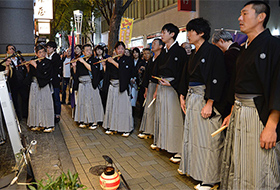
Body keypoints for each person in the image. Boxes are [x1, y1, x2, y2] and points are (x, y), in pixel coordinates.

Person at [220, 1, 280, 189]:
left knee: (260, 164)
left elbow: (278, 86)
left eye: (245, 14)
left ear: (261, 17)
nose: (239, 18)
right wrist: (231, 111)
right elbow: (237, 84)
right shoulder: (244, 48)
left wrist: (272, 125)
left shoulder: (274, 45)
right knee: (239, 160)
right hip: (240, 111)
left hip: (259, 114)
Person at [178, 18, 227, 190]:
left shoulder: (213, 51)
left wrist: (210, 102)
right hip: (193, 97)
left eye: (191, 31)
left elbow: (217, 77)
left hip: (205, 98)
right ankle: (195, 170)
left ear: (201, 33)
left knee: (208, 139)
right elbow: (186, 77)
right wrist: (182, 95)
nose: (188, 34)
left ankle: (210, 178)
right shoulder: (193, 53)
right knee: (194, 136)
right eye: (188, 31)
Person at [151, 23, 187, 163]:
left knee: (174, 118)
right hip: (163, 86)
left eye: (164, 32)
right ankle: (165, 144)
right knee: (163, 116)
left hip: (173, 88)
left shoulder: (179, 51)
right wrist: (157, 88)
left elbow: (183, 73)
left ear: (172, 34)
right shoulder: (165, 52)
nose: (162, 34)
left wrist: (173, 83)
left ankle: (178, 149)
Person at [102, 41, 134, 137]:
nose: (120, 50)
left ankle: (126, 129)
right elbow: (107, 73)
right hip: (112, 85)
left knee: (123, 108)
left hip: (122, 86)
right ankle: (112, 127)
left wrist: (113, 62)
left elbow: (125, 71)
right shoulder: (112, 59)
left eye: (122, 48)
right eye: (118, 48)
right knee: (112, 107)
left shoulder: (128, 59)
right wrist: (104, 65)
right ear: (115, 50)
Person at [72, 44, 104, 130]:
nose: (89, 51)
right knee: (83, 102)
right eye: (87, 50)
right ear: (83, 52)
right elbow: (76, 74)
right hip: (82, 84)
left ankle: (94, 121)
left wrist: (83, 62)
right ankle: (84, 120)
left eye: (90, 50)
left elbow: (93, 70)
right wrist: (74, 67)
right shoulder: (79, 61)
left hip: (90, 84)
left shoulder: (94, 60)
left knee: (92, 103)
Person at [138, 38, 164, 139]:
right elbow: (146, 76)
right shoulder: (151, 60)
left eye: (155, 43)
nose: (152, 45)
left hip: (158, 86)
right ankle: (148, 130)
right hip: (150, 86)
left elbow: (161, 75)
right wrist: (146, 89)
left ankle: (155, 132)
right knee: (149, 109)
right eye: (152, 43)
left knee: (157, 110)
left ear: (161, 46)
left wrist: (157, 89)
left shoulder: (162, 58)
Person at [212, 29, 241, 117]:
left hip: (231, 95)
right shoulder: (241, 50)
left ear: (221, 41)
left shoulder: (229, 55)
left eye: (216, 45)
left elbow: (228, 77)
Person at [26, 45, 54, 132]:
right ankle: (35, 123)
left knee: (45, 104)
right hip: (34, 84)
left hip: (44, 85)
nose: (42, 54)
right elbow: (31, 74)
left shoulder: (48, 62)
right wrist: (28, 67)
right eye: (40, 52)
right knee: (34, 104)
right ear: (36, 54)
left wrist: (36, 66)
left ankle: (47, 125)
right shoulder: (34, 60)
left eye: (43, 52)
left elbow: (45, 74)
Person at [5, 44, 29, 120]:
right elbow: (6, 74)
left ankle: (25, 115)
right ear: (7, 51)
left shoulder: (19, 59)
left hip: (22, 83)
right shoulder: (6, 61)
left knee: (25, 98)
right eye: (10, 49)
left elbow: (25, 71)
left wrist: (26, 66)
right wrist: (7, 65)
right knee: (15, 100)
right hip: (13, 84)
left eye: (13, 49)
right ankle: (18, 116)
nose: (12, 50)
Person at [46, 41, 62, 123]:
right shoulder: (47, 56)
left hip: (55, 81)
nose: (48, 49)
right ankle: (52, 113)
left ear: (54, 48)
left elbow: (54, 67)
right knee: (50, 98)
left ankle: (57, 114)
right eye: (47, 47)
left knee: (56, 98)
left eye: (49, 47)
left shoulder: (56, 56)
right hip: (48, 81)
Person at [93, 45, 107, 110]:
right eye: (97, 49)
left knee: (103, 96)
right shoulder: (94, 60)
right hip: (96, 79)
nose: (99, 51)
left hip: (104, 79)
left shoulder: (105, 59)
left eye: (100, 49)